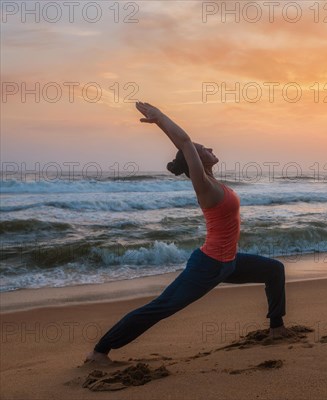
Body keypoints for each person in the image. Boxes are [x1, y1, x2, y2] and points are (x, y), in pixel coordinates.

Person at [85, 102, 294, 365]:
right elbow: (185, 142)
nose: (211, 149)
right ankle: (100, 351)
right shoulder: (204, 186)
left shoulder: (215, 182)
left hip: (229, 262)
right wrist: (160, 118)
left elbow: (188, 147)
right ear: (195, 161)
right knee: (162, 307)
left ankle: (276, 328)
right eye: (204, 149)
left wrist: (176, 134)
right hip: (208, 266)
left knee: (274, 270)